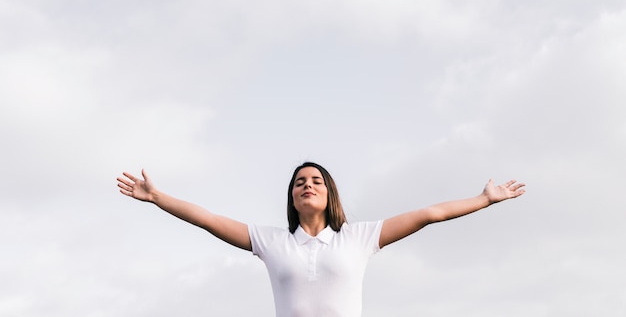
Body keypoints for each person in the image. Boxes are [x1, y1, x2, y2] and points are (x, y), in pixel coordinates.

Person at [117, 162, 525, 317]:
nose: (306, 185)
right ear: (292, 197)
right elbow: (208, 220)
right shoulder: (271, 241)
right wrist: (157, 197)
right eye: (299, 182)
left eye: (315, 181)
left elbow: (428, 215)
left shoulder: (359, 237)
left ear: (329, 193)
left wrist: (484, 200)